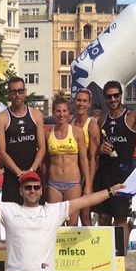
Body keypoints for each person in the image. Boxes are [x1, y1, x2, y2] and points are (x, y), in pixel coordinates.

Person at [92, 64, 136, 256]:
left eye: (116, 95)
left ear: (121, 96)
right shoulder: (102, 120)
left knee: (120, 220)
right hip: (104, 174)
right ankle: (105, 258)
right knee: (103, 218)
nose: (113, 99)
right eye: (109, 96)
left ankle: (119, 259)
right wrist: (100, 150)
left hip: (123, 176)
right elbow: (95, 149)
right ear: (105, 98)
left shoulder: (132, 116)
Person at [0, 76, 45, 205]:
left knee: (37, 213)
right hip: (13, 176)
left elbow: (42, 148)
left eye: (20, 91)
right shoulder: (2, 118)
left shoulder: (36, 115)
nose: (17, 95)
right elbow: (1, 152)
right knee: (12, 214)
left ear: (25, 92)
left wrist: (31, 171)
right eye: (13, 91)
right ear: (9, 94)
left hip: (33, 173)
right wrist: (19, 173)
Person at [44, 97, 89, 227]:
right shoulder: (48, 134)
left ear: (69, 113)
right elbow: (45, 161)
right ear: (53, 112)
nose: (61, 114)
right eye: (58, 111)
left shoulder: (77, 132)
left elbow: (83, 159)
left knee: (72, 225)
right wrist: (44, 183)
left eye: (64, 111)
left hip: (73, 184)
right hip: (53, 184)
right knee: (55, 225)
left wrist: (87, 184)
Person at [71, 88, 100, 226]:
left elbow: (93, 158)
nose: (81, 104)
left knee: (85, 214)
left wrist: (89, 183)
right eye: (78, 100)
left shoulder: (92, 125)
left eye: (84, 101)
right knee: (72, 214)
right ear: (74, 102)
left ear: (89, 104)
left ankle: (89, 240)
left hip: (86, 175)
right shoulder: (71, 123)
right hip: (73, 175)